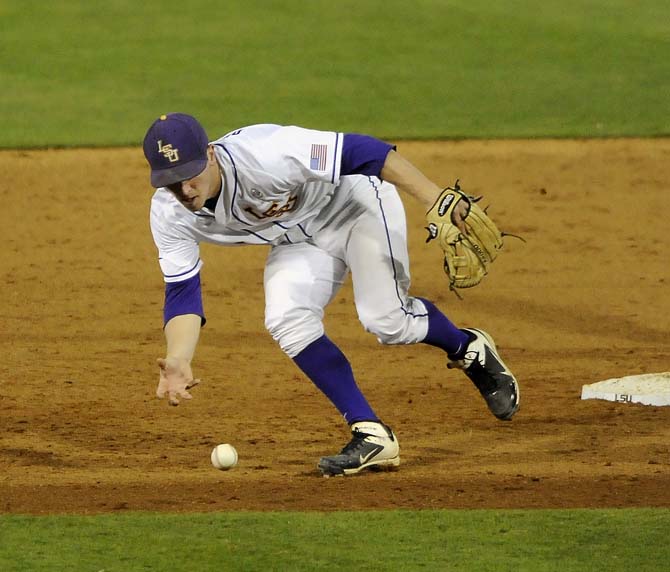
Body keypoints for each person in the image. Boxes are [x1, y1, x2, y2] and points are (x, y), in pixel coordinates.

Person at [142, 113, 520, 477]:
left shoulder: (268, 153)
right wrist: (179, 356)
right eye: (171, 182)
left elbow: (363, 151)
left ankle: (466, 347)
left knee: (387, 321)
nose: (184, 190)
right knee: (286, 319)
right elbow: (182, 291)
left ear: (209, 154)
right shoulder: (169, 214)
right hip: (297, 237)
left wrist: (434, 197)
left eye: (189, 176)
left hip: (354, 205)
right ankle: (371, 433)